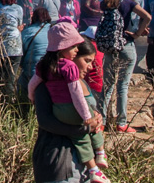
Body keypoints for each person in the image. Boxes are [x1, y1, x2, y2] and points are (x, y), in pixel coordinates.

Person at [27, 19, 110, 183]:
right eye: (86, 61)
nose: (91, 67)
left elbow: (87, 110)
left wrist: (96, 117)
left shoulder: (81, 84)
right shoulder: (47, 85)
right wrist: (84, 127)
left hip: (81, 165)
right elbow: (45, 121)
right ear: (69, 55)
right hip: (60, 161)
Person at [97, 0, 151, 132]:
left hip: (110, 47)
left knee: (107, 86)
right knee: (122, 86)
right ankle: (121, 123)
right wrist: (137, 33)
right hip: (126, 44)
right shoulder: (129, 3)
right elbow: (147, 17)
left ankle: (102, 121)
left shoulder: (104, 4)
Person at [19, 7, 52, 99]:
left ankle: (23, 108)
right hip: (51, 71)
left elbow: (21, 52)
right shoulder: (53, 30)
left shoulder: (27, 31)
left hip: (32, 70)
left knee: (21, 89)